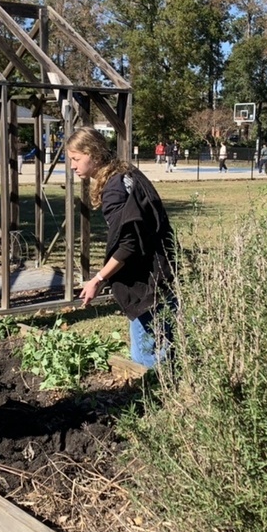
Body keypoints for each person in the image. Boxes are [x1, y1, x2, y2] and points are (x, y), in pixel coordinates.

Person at [67, 126, 177, 368]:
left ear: (93, 154)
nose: (73, 166)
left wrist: (98, 278)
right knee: (170, 340)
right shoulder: (128, 173)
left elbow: (128, 244)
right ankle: (176, 382)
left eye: (76, 159)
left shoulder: (115, 190)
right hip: (162, 267)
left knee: (144, 357)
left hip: (145, 279)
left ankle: (157, 393)